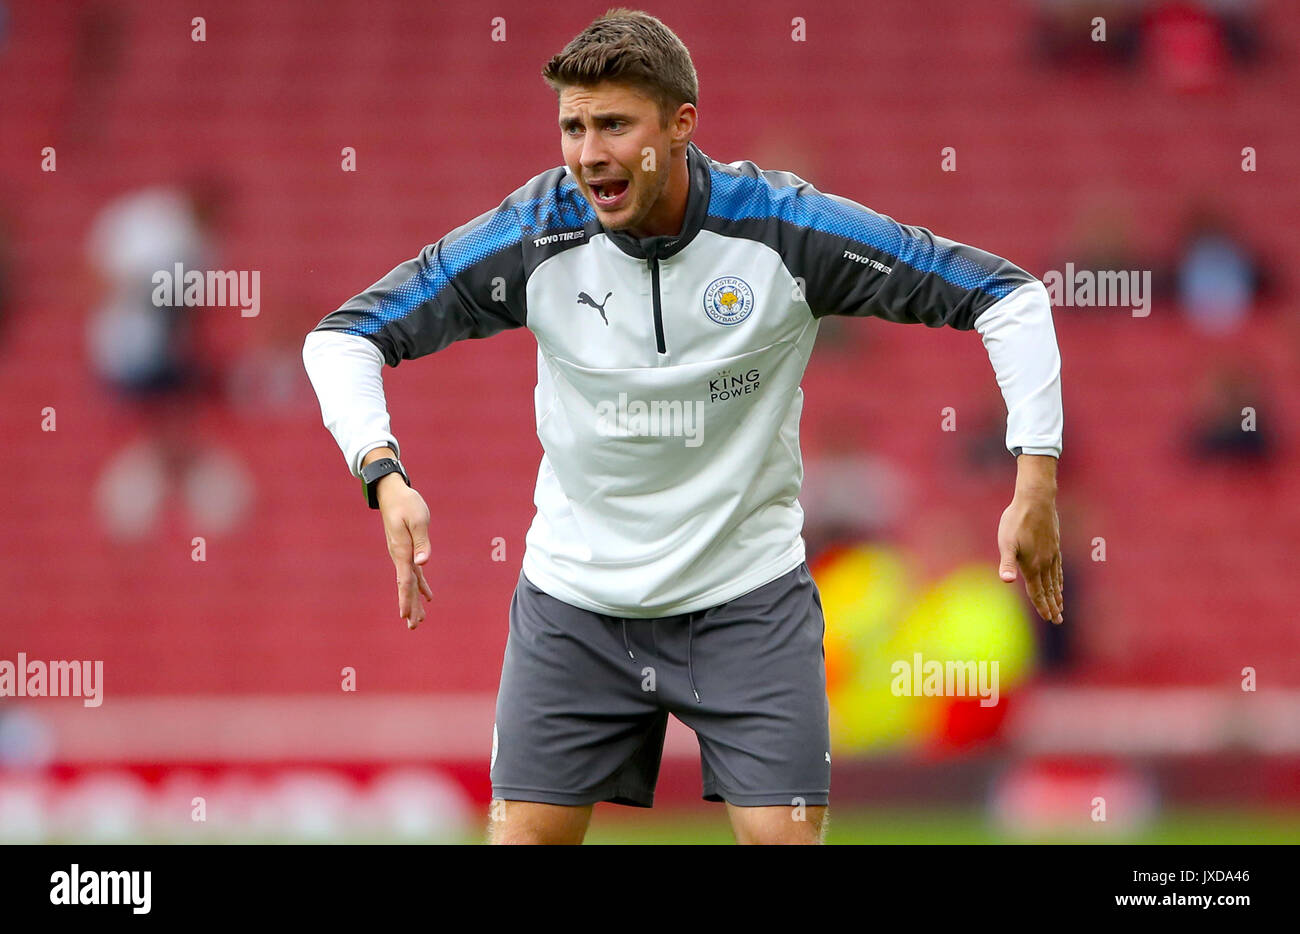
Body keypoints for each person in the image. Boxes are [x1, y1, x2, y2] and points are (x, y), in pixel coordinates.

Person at [302, 9, 1065, 845]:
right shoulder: (533, 236)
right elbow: (345, 336)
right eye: (573, 126)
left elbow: (1006, 295)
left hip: (748, 599)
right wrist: (384, 473)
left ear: (681, 125)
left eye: (615, 124)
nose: (590, 152)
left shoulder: (785, 231)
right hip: (577, 601)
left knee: (783, 839)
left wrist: (1035, 478)